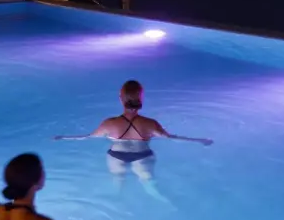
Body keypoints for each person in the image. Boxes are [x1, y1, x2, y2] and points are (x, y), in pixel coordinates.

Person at [54, 79, 212, 202]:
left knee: (118, 181)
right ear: (141, 98)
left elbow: (86, 137)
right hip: (142, 156)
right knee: (149, 184)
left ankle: (117, 201)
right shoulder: (150, 124)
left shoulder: (109, 123)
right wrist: (199, 140)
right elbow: (171, 138)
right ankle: (168, 203)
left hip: (116, 156)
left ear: (120, 98)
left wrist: (63, 137)